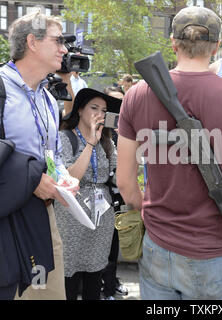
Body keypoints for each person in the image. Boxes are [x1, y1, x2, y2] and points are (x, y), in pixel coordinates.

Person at [116, 6, 222, 300]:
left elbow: (125, 182)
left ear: (173, 43)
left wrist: (149, 217)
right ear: (215, 46)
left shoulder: (136, 94)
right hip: (211, 250)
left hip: (157, 245)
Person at [0, 11, 79, 300]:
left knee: (47, 292)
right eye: (58, 40)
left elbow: (52, 153)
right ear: (32, 42)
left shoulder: (47, 96)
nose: (65, 49)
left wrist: (63, 176)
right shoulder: (0, 88)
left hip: (44, 214)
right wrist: (31, 179)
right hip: (7, 217)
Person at [56, 88, 121, 300]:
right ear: (80, 109)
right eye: (94, 108)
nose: (99, 114)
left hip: (101, 218)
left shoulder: (107, 141)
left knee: (95, 275)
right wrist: (90, 144)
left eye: (103, 110)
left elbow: (118, 176)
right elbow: (71, 178)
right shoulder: (65, 138)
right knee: (69, 275)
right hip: (71, 217)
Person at [100, 85, 129, 300]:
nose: (117, 109)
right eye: (112, 103)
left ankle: (112, 282)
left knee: (116, 241)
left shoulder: (127, 131)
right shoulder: (98, 132)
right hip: (101, 196)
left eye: (121, 102)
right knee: (102, 242)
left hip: (121, 196)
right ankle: (101, 284)